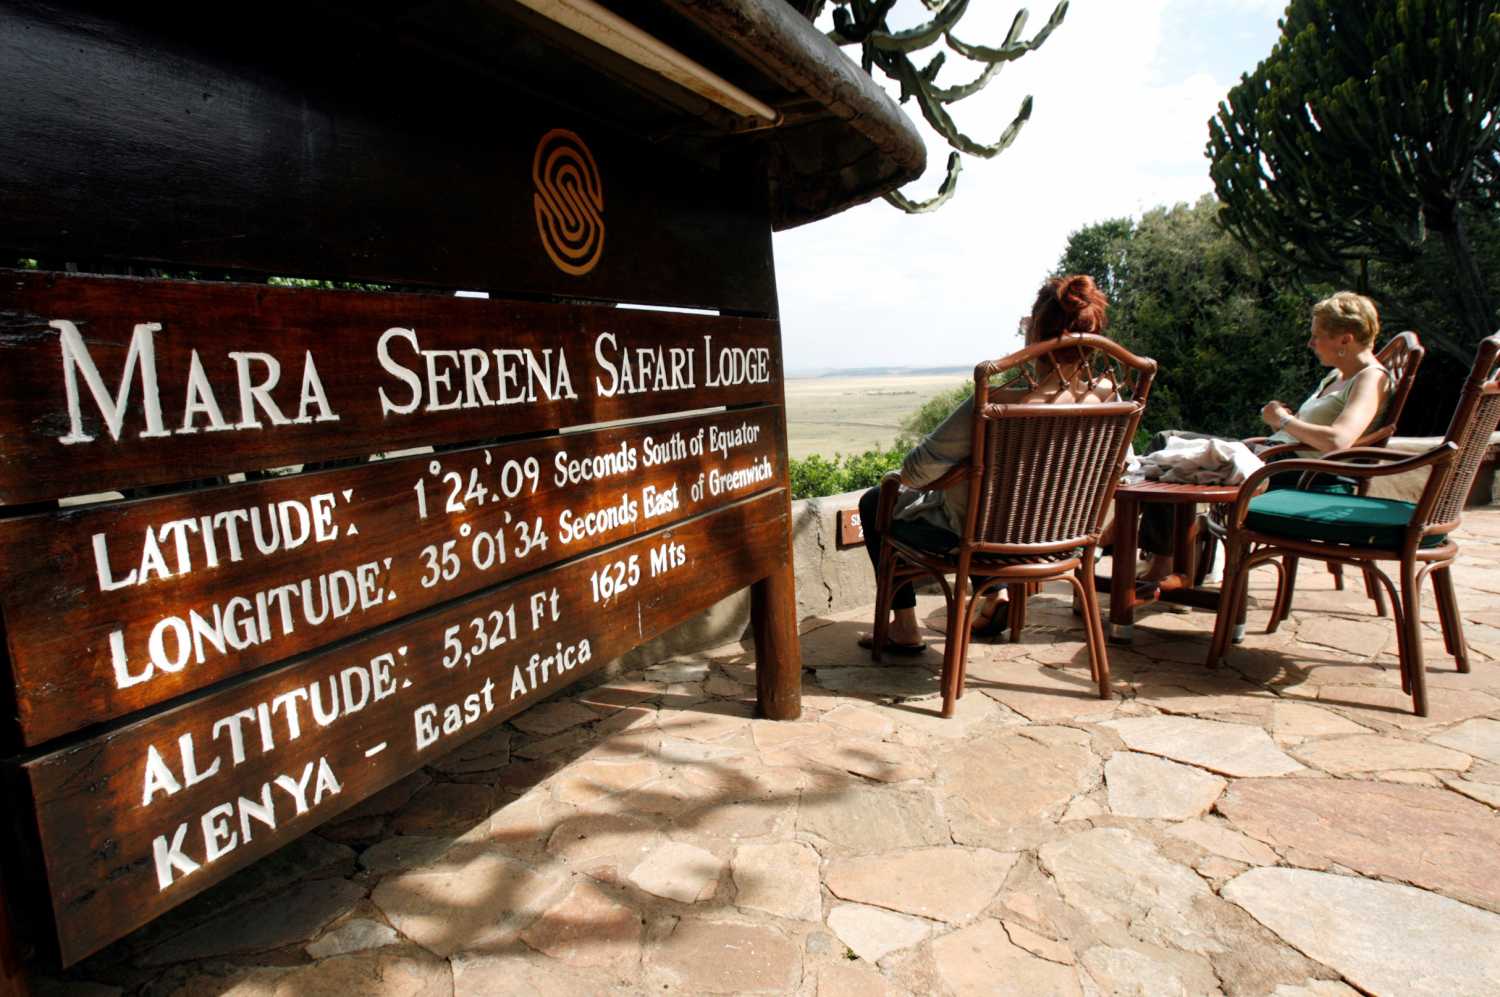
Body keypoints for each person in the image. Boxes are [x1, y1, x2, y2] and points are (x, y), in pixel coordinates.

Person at [857, 274, 1115, 653]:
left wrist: (958, 467)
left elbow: (914, 472)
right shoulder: (1109, 402)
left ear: (1035, 334)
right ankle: (997, 593)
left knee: (876, 500)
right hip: (1062, 541)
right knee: (992, 508)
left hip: (983, 542)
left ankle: (906, 627)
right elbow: (1120, 466)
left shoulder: (996, 403)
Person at [1130, 290, 1392, 595]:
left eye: (1317, 336)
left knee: (1168, 448)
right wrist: (1283, 425)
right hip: (1272, 456)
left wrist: (1282, 419)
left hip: (1296, 472)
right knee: (1167, 442)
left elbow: (1340, 440)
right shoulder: (1337, 376)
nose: (1310, 344)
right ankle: (1162, 555)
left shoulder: (1370, 378)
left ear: (1345, 339)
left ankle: (1154, 556)